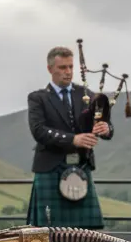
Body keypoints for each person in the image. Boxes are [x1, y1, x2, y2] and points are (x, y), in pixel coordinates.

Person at [26, 46, 113, 228]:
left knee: (87, 233)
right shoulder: (38, 98)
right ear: (50, 69)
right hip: (50, 169)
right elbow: (38, 131)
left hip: (80, 167)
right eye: (63, 68)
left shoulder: (86, 95)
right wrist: (73, 140)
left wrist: (105, 128)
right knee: (46, 232)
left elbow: (106, 125)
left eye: (71, 67)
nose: (68, 72)